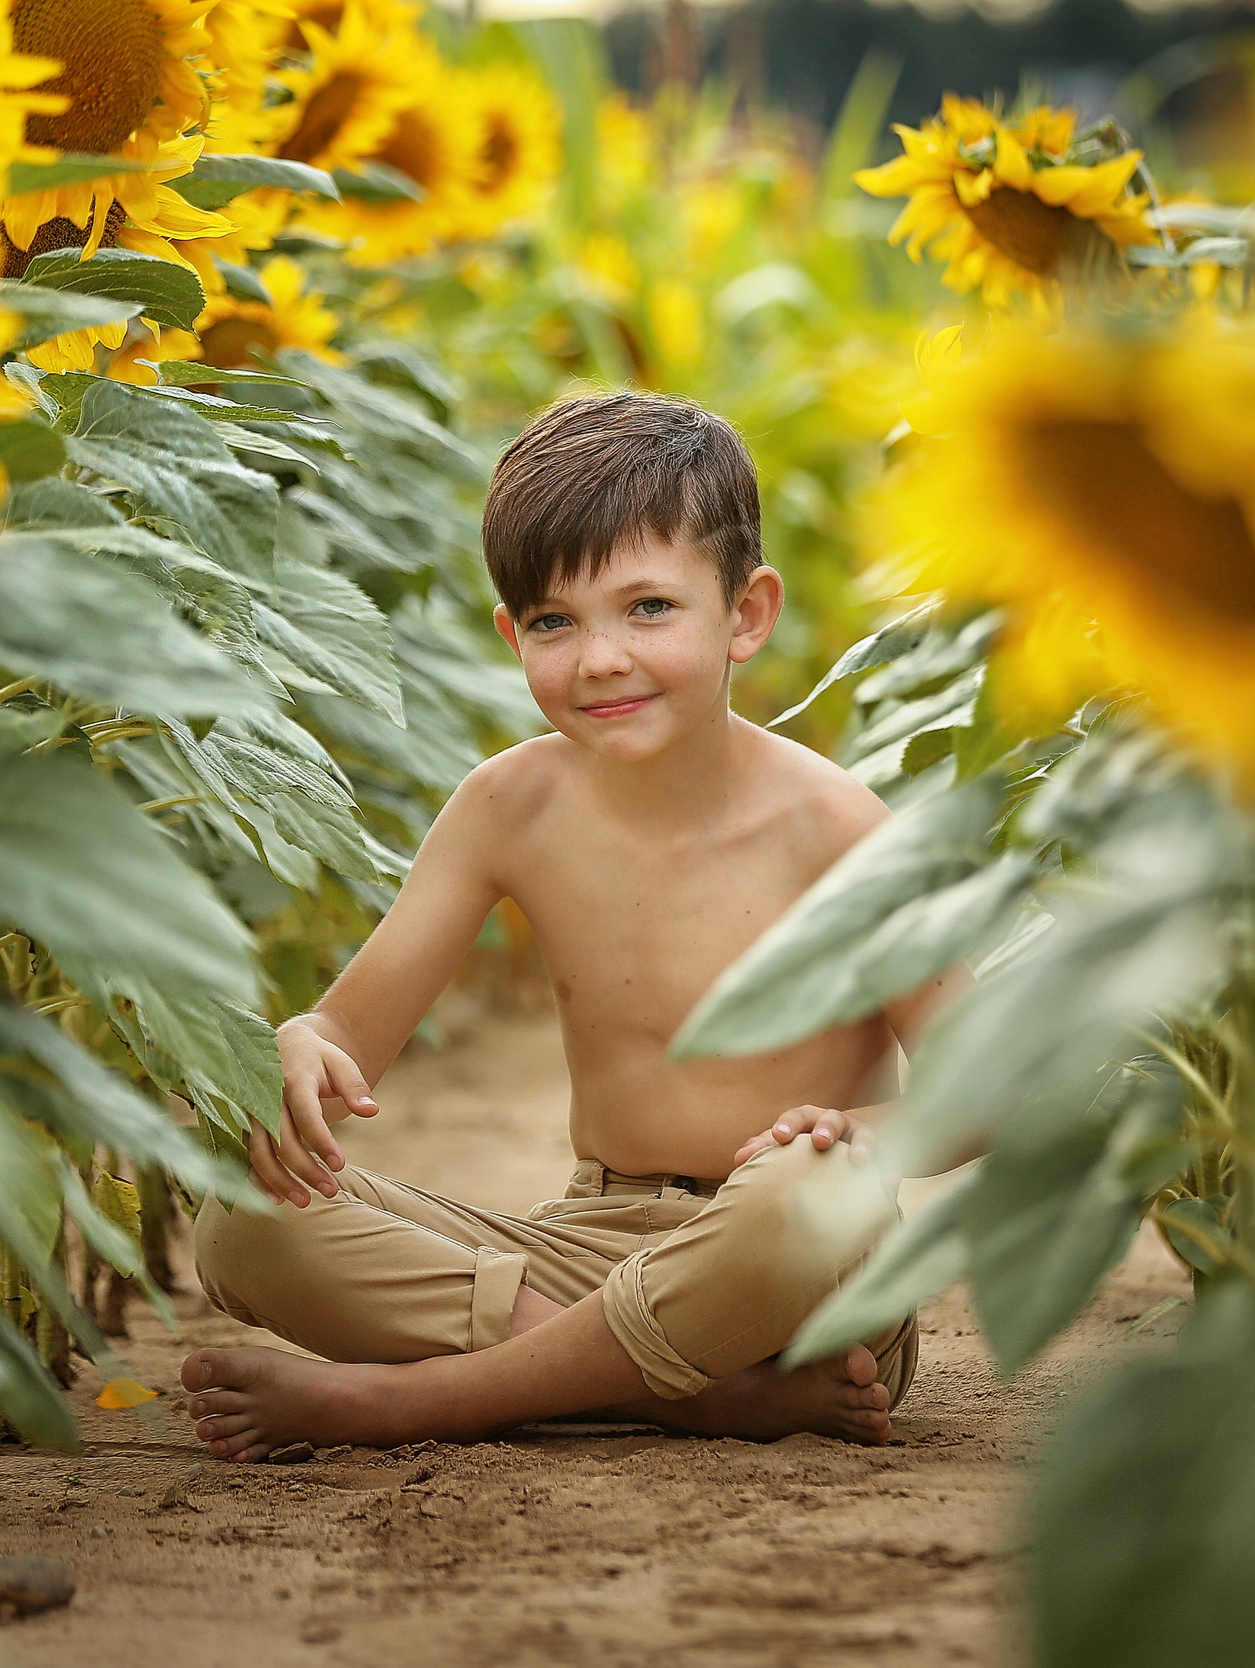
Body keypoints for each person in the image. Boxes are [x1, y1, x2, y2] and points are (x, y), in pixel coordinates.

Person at [180, 391, 957, 1460]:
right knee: (243, 1210)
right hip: (582, 1244)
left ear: (746, 613)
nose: (599, 659)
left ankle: (415, 1403)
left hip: (794, 1284)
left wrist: (861, 1137)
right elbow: (349, 1034)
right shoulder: (511, 807)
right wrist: (303, 1049)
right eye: (555, 621)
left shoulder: (840, 832)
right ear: (511, 633)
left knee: (805, 1194)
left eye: (648, 608)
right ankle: (677, 1396)